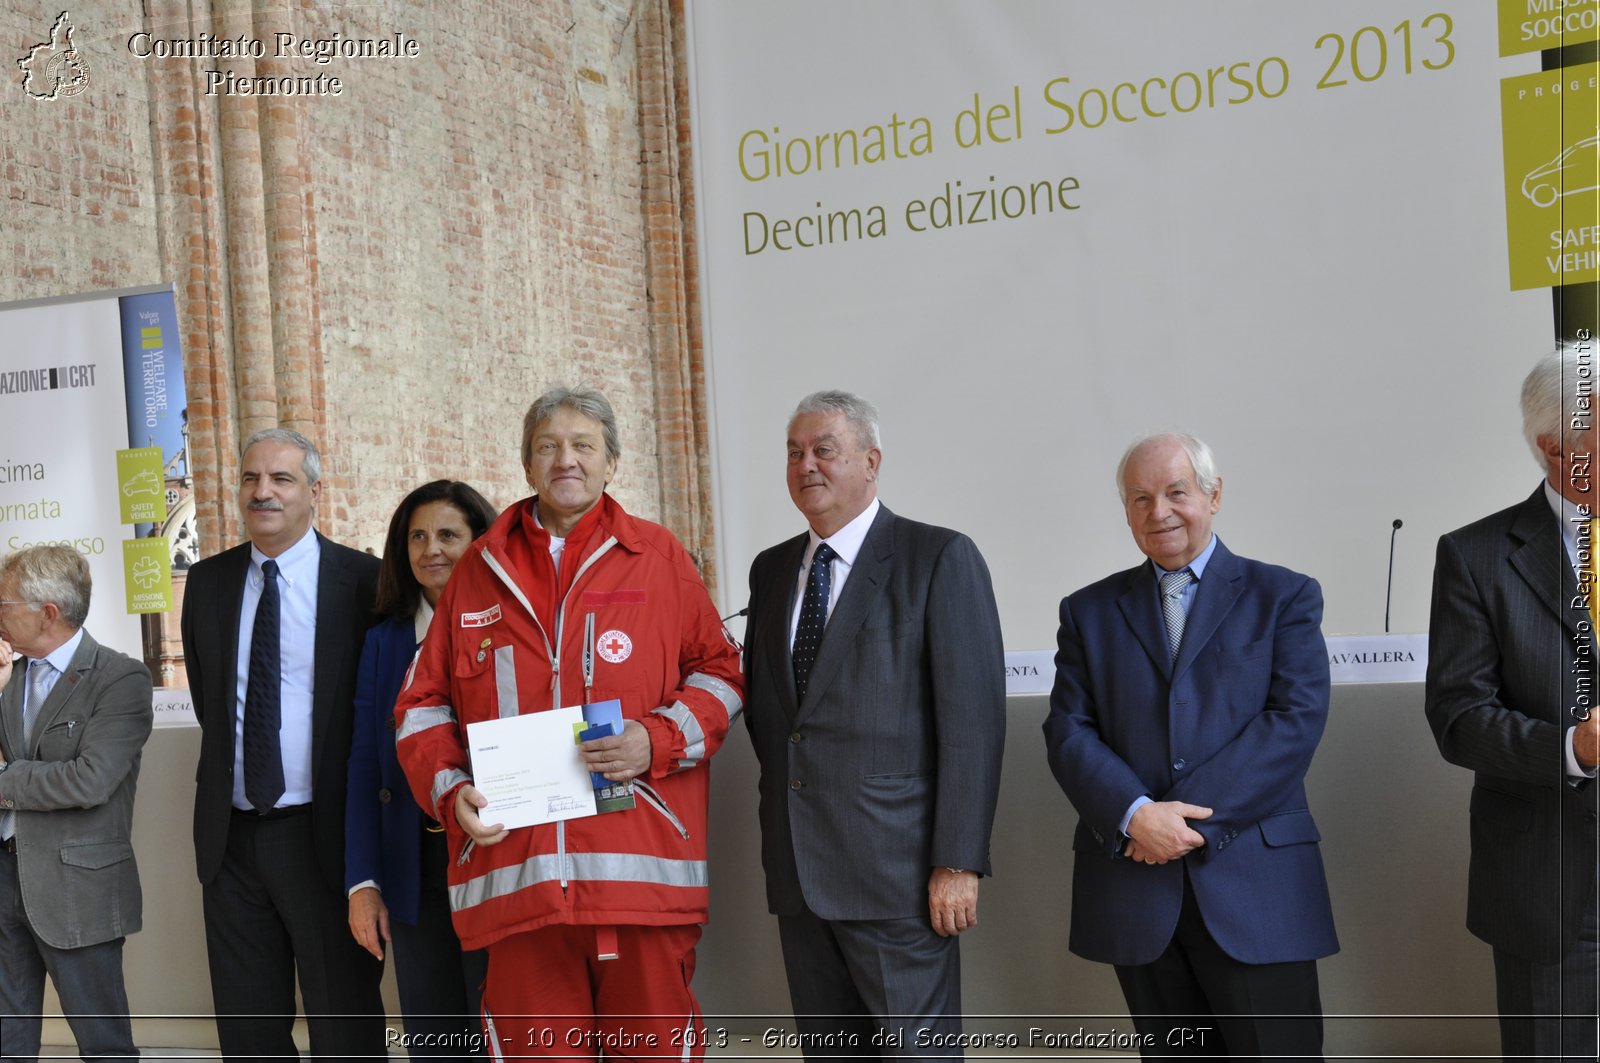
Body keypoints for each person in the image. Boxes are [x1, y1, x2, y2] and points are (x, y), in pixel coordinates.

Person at [394, 386, 744, 1060]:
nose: (566, 459)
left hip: (639, 879)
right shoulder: (478, 572)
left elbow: (723, 676)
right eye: (548, 446)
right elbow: (420, 708)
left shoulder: (660, 559)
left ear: (611, 460)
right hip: (518, 885)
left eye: (583, 444)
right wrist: (449, 790)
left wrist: (656, 738)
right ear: (526, 466)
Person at [1042, 432, 1337, 1061]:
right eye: (1141, 498)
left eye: (1177, 492)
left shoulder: (1283, 595)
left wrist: (1178, 820)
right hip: (1138, 892)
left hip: (1257, 889)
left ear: (1214, 494)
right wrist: (1135, 816)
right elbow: (1068, 731)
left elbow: (1294, 722)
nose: (1159, 512)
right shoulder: (1087, 611)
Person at [743, 389, 1007, 1056]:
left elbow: (973, 726)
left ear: (870, 459)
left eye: (825, 450)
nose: (807, 465)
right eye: (794, 453)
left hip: (901, 880)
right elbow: (777, 723)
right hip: (800, 877)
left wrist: (958, 862)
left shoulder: (938, 557)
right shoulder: (771, 569)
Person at [181, 427, 384, 1061]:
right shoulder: (209, 583)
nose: (261, 492)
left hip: (326, 838)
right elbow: (210, 701)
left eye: (281, 479)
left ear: (315, 493)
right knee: (248, 1032)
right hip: (231, 839)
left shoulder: (363, 582)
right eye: (249, 479)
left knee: (342, 1024)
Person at [1425, 340, 1600, 1063]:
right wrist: (1574, 748)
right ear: (1556, 448)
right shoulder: (1477, 556)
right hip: (1555, 890)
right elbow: (1460, 719)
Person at [346, 480, 497, 1057]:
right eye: (417, 537)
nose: (431, 549)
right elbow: (363, 763)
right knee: (434, 1043)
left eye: (448, 535)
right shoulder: (383, 643)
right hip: (412, 867)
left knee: (501, 1035)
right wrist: (363, 881)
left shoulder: (513, 628)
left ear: (481, 542)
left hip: (495, 856)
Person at [0, 545, 153, 1062]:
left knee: (104, 1045)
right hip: (4, 883)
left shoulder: (120, 678)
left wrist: (3, 780)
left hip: (77, 889)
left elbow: (90, 780)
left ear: (47, 613)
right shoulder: (7, 675)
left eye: (3, 603)